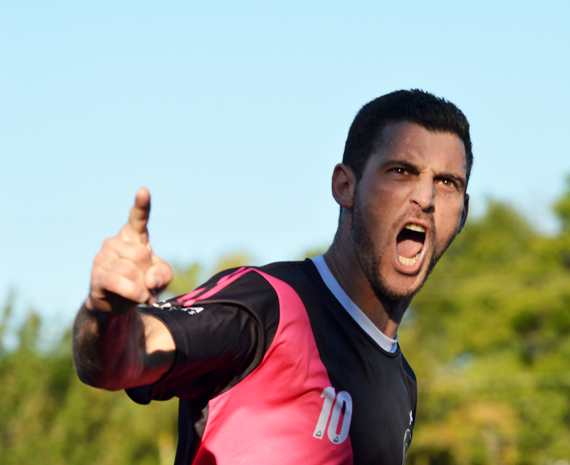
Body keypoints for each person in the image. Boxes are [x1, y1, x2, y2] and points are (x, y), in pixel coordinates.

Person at [72, 89, 473, 465]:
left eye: (446, 182)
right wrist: (106, 314)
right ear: (345, 186)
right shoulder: (269, 305)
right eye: (401, 170)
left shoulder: (403, 384)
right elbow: (120, 361)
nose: (426, 198)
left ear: (463, 215)